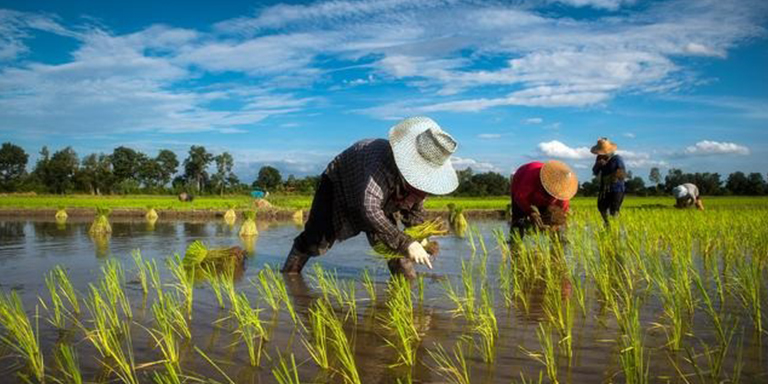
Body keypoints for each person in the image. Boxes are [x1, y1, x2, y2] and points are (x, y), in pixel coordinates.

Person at [280, 117, 459, 279]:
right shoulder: (380, 163)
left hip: (378, 199)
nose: (422, 191)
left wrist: (420, 236)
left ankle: (407, 284)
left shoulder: (420, 182)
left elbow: (415, 210)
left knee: (394, 248)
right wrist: (407, 243)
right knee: (316, 239)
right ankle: (289, 276)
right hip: (340, 183)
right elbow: (370, 209)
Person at [509, 160, 578, 246]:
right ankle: (514, 244)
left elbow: (562, 214)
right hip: (521, 183)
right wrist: (531, 212)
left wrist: (555, 225)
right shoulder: (531, 176)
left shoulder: (563, 193)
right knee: (518, 220)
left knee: (556, 224)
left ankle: (558, 245)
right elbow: (519, 197)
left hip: (539, 195)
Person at [591, 138, 626, 226]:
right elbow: (595, 172)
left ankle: (614, 227)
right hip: (604, 189)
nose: (600, 154)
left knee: (614, 210)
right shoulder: (599, 158)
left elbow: (621, 173)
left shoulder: (617, 159)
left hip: (616, 189)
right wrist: (598, 165)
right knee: (601, 206)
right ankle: (607, 224)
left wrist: (610, 173)